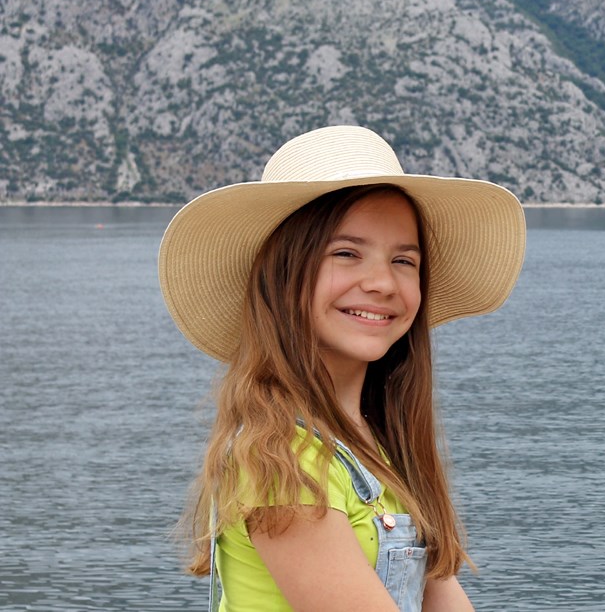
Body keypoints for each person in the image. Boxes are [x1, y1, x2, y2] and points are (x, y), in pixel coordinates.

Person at [164, 126, 526, 611]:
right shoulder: (282, 459)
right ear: (284, 276)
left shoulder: (373, 450)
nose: (381, 282)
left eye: (404, 260)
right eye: (346, 253)